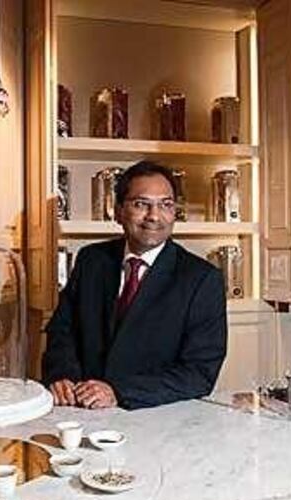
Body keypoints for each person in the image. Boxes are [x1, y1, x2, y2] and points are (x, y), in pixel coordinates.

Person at [42, 160, 227, 410]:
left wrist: (117, 392)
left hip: (154, 418)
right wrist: (61, 376)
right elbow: (63, 331)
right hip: (81, 410)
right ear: (118, 211)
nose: (154, 216)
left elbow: (199, 374)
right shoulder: (91, 260)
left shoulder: (202, 279)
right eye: (141, 204)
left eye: (166, 205)